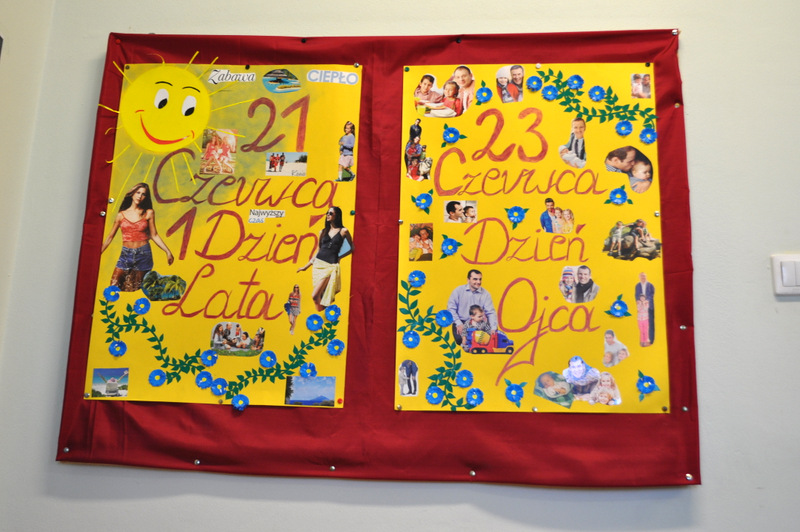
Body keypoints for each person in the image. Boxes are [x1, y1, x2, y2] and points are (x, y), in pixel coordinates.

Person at [100, 183, 174, 291]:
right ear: (132, 194)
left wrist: (167, 251)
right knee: (113, 287)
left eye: (143, 194)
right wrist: (98, 253)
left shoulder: (149, 213)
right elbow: (110, 237)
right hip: (126, 254)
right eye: (138, 193)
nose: (140, 196)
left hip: (143, 254)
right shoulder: (121, 215)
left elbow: (154, 235)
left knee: (135, 288)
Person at [297, 206, 353, 311]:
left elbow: (351, 248)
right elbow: (318, 251)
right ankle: (323, 314)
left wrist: (340, 257)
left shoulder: (343, 231)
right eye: (327, 213)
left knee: (315, 295)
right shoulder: (322, 232)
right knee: (319, 296)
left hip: (330, 266)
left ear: (337, 215)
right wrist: (306, 266)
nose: (328, 215)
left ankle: (326, 313)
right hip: (318, 265)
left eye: (330, 213)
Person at [447, 269, 497, 345]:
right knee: (460, 341)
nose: (478, 282)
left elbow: (491, 312)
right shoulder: (458, 291)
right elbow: (451, 309)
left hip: (479, 323)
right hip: (462, 322)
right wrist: (458, 323)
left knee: (490, 340)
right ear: (468, 280)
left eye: (480, 279)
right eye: (475, 279)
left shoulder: (486, 294)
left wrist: (493, 328)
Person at [635, 272, 655, 344]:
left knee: (650, 323)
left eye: (644, 276)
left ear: (646, 277)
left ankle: (651, 340)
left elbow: (652, 294)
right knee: (642, 326)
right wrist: (639, 301)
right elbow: (636, 295)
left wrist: (647, 301)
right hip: (641, 309)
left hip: (649, 306)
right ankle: (643, 340)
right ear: (639, 277)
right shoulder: (637, 285)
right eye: (641, 276)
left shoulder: (650, 285)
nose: (643, 277)